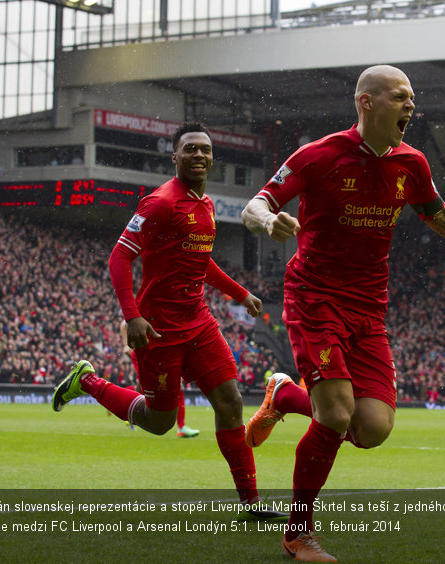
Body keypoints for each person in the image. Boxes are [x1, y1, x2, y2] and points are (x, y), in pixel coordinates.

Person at [241, 65, 445, 562]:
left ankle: (284, 394)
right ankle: (298, 534)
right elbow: (256, 203)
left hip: (369, 307)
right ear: (366, 102)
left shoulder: (411, 162)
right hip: (315, 297)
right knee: (335, 413)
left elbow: (437, 213)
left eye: (413, 98)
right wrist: (269, 221)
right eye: (401, 97)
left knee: (371, 429)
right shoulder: (318, 156)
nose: (411, 106)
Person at [52, 122, 281, 518]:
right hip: (158, 328)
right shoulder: (159, 203)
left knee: (230, 402)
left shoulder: (205, 205)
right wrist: (133, 317)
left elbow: (200, 261)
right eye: (189, 149)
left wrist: (240, 293)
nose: (198, 155)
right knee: (159, 422)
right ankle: (86, 380)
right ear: (174, 157)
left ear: (212, 158)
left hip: (200, 322)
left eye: (205, 150)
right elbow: (119, 258)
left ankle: (251, 505)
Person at [120, 319, 199, 437]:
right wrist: (129, 347)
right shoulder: (132, 317)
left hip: (158, 351)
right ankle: (119, 400)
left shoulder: (152, 310)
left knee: (174, 385)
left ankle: (181, 427)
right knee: (144, 385)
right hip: (142, 353)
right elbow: (125, 335)